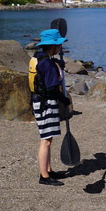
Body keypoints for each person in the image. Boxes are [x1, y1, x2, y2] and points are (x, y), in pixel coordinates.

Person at [30, 28, 70, 186]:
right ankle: (44, 176)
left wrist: (57, 62)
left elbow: (45, 69)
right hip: (46, 104)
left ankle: (49, 170)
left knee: (48, 139)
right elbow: (52, 87)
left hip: (38, 102)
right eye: (58, 45)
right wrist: (64, 100)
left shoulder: (39, 57)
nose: (60, 47)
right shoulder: (47, 64)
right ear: (53, 47)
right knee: (45, 141)